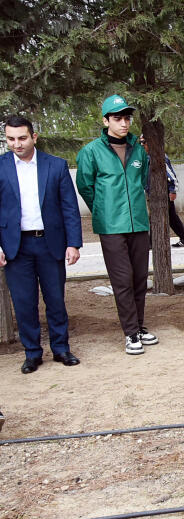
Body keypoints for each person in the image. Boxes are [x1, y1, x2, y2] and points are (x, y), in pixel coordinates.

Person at [76, 95, 157, 355]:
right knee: (122, 280)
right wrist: (103, 210)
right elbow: (85, 187)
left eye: (126, 118)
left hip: (138, 225)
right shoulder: (91, 152)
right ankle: (130, 333)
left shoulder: (139, 151)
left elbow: (142, 182)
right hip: (111, 226)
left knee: (140, 278)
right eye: (117, 118)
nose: (124, 123)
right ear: (106, 120)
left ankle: (139, 326)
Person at [0, 115, 82, 373]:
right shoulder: (0, 166)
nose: (17, 144)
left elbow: (69, 207)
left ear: (34, 137)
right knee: (24, 303)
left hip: (50, 243)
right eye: (11, 139)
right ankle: (32, 353)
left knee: (56, 299)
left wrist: (74, 243)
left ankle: (61, 348)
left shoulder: (56, 166)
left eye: (22, 138)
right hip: (16, 247)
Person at [140, 136, 184, 247]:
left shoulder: (160, 157)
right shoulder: (147, 157)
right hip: (151, 193)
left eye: (144, 142)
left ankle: (152, 243)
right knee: (171, 217)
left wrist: (173, 190)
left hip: (163, 193)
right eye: (141, 142)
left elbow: (172, 176)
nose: (142, 145)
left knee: (155, 217)